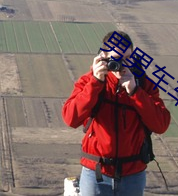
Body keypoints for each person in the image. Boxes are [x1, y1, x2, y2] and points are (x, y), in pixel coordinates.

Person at [62, 31, 171, 196]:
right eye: (116, 59)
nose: (122, 64)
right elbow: (71, 118)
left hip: (132, 174)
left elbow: (161, 124)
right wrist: (96, 82)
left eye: (127, 58)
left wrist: (135, 92)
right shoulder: (89, 82)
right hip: (96, 172)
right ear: (103, 56)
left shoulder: (144, 85)